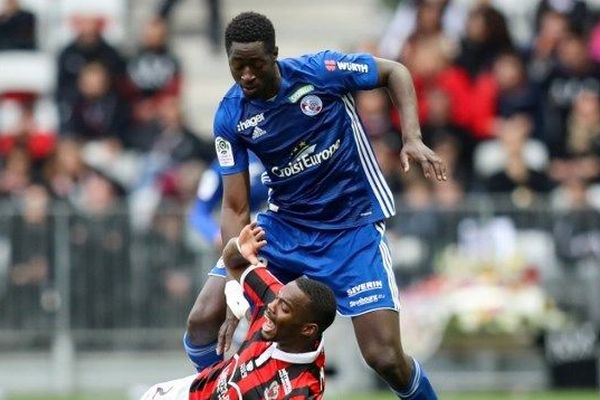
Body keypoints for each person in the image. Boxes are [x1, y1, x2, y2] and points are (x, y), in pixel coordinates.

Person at [186, 12, 447, 399]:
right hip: (285, 227)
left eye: (255, 64)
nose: (246, 76)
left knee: (384, 357)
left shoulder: (320, 71)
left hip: (351, 229)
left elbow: (395, 71)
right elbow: (235, 207)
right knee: (203, 320)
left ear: (274, 54)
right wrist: (235, 281)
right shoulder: (230, 115)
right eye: (236, 66)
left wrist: (412, 136)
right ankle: (222, 392)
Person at [140, 222, 337, 399]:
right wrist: (238, 248)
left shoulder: (301, 390)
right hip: (190, 393)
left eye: (284, 308)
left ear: (308, 330)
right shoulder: (273, 299)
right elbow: (232, 260)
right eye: (277, 299)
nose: (271, 307)